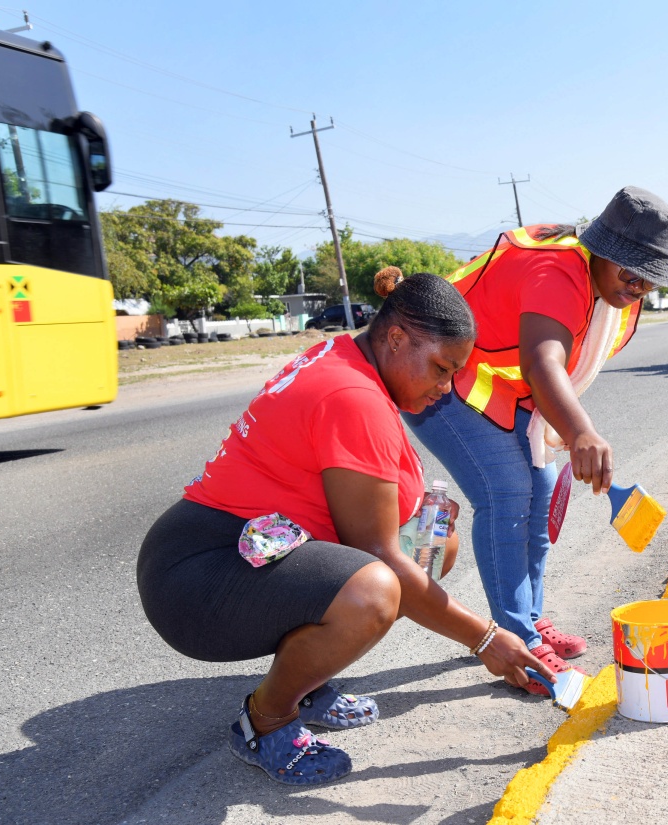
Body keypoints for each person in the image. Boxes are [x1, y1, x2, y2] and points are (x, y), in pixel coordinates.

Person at [136, 269, 553, 786]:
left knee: (432, 539)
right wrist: (488, 638)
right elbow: (380, 557)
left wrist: (428, 516)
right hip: (198, 572)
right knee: (375, 591)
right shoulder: (351, 395)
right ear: (397, 338)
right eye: (442, 369)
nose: (446, 390)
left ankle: (308, 677)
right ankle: (265, 721)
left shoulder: (350, 357)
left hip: (259, 544)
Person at [402, 186, 668, 694]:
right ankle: (516, 637)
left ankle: (527, 617)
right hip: (434, 375)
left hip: (498, 390)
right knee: (507, 494)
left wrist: (570, 430)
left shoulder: (606, 292)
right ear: (601, 252)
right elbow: (541, 363)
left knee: (541, 492)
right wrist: (579, 432)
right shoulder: (559, 273)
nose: (636, 286)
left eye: (647, 279)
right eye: (628, 271)